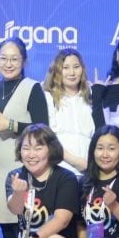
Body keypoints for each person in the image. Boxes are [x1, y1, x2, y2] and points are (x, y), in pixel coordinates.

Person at [0, 38, 48, 238]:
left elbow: (43, 128)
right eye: (3, 58)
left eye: (14, 59)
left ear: (24, 61)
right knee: (6, 234)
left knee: (23, 228)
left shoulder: (32, 88)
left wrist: (12, 125)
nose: (8, 63)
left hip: (21, 169)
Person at [4, 123, 81, 238]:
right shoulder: (16, 176)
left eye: (38, 149)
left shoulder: (66, 178)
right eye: (26, 148)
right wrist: (18, 193)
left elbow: (62, 220)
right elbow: (15, 210)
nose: (31, 155)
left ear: (51, 150)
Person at [43, 48, 94, 176]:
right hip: (60, 169)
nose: (71, 72)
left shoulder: (91, 96)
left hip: (90, 170)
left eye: (76, 67)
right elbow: (48, 138)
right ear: (57, 70)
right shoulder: (49, 97)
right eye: (65, 67)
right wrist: (76, 162)